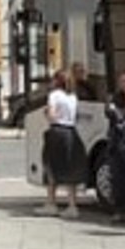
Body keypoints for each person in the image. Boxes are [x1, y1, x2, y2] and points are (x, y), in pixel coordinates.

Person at [40, 68, 87, 218]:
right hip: (71, 132)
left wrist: (48, 113)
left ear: (57, 81)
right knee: (70, 167)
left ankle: (51, 203)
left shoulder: (54, 95)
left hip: (57, 132)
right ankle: (72, 205)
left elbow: (52, 115)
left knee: (50, 165)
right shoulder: (73, 96)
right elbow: (76, 117)